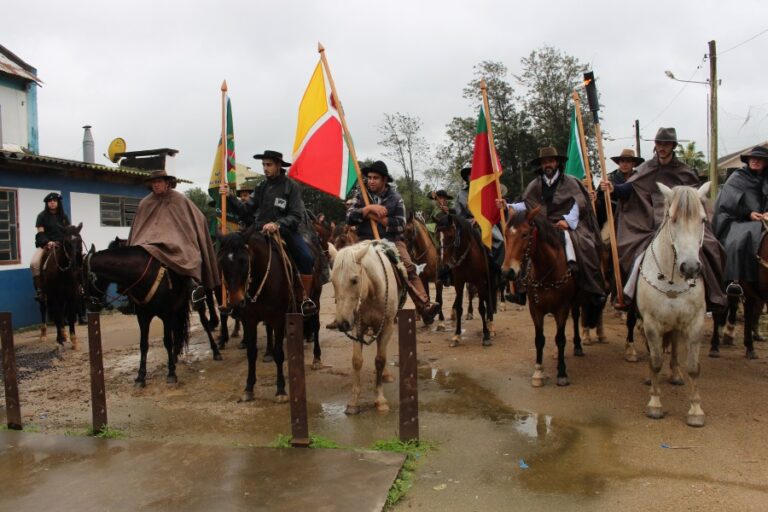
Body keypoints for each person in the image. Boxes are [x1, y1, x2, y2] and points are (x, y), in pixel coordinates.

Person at [600, 127, 726, 312]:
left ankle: (714, 295)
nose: (662, 147)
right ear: (655, 145)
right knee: (629, 247)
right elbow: (630, 188)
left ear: (673, 146)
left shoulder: (684, 170)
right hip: (647, 219)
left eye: (666, 144)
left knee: (712, 245)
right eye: (659, 143)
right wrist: (614, 189)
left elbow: (696, 197)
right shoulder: (645, 168)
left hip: (681, 221)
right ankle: (628, 292)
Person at [498, 147, 606, 306]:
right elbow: (526, 204)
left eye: (550, 161)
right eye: (544, 162)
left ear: (557, 163)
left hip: (566, 224)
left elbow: (579, 203)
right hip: (543, 225)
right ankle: (520, 290)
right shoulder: (535, 184)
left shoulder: (570, 182)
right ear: (541, 165)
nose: (547, 164)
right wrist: (507, 205)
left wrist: (567, 221)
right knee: (526, 245)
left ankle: (591, 287)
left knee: (584, 245)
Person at [224, 150, 317, 315]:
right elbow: (246, 210)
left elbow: (295, 216)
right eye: (263, 165)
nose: (265, 168)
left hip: (286, 232)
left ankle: (304, 298)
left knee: (306, 257)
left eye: (269, 165)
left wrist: (277, 224)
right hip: (259, 231)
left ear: (278, 165)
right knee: (233, 252)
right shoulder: (261, 186)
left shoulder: (291, 186)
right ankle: (234, 295)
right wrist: (229, 198)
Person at [346, 160, 440, 322]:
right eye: (369, 177)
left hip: (391, 240)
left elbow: (401, 225)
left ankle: (424, 304)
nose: (371, 181)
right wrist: (368, 209)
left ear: (384, 180)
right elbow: (349, 218)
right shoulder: (361, 195)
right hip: (365, 240)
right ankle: (345, 311)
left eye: (375, 178)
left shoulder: (396, 198)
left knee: (409, 267)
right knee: (347, 267)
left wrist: (377, 218)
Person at [128, 169, 220, 294]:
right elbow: (137, 228)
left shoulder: (180, 200)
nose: (156, 184)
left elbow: (199, 218)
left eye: (159, 181)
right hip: (147, 243)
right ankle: (130, 296)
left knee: (192, 259)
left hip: (177, 243)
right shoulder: (145, 203)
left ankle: (193, 286)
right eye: (153, 182)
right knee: (129, 261)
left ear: (167, 183)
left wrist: (188, 235)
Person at [712, 145, 768, 296]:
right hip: (736, 219)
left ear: (765, 163)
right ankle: (733, 282)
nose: (755, 161)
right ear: (748, 160)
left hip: (764, 220)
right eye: (753, 158)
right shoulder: (738, 177)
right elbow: (727, 202)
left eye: (760, 159)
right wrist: (748, 213)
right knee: (738, 240)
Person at [31, 192, 71, 301]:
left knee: (79, 257)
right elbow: (40, 233)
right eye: (50, 201)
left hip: (62, 245)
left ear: (58, 202)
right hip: (46, 245)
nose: (52, 203)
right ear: (47, 203)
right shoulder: (41, 216)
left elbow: (68, 232)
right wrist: (48, 242)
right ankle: (40, 290)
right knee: (34, 263)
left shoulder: (64, 216)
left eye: (54, 201)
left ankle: (80, 287)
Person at [595, 148, 644, 229]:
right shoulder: (609, 178)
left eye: (628, 161)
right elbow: (598, 195)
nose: (625, 164)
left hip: (635, 217)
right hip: (615, 218)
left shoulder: (638, 179)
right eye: (622, 161)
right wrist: (600, 191)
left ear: (633, 164)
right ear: (619, 163)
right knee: (604, 239)